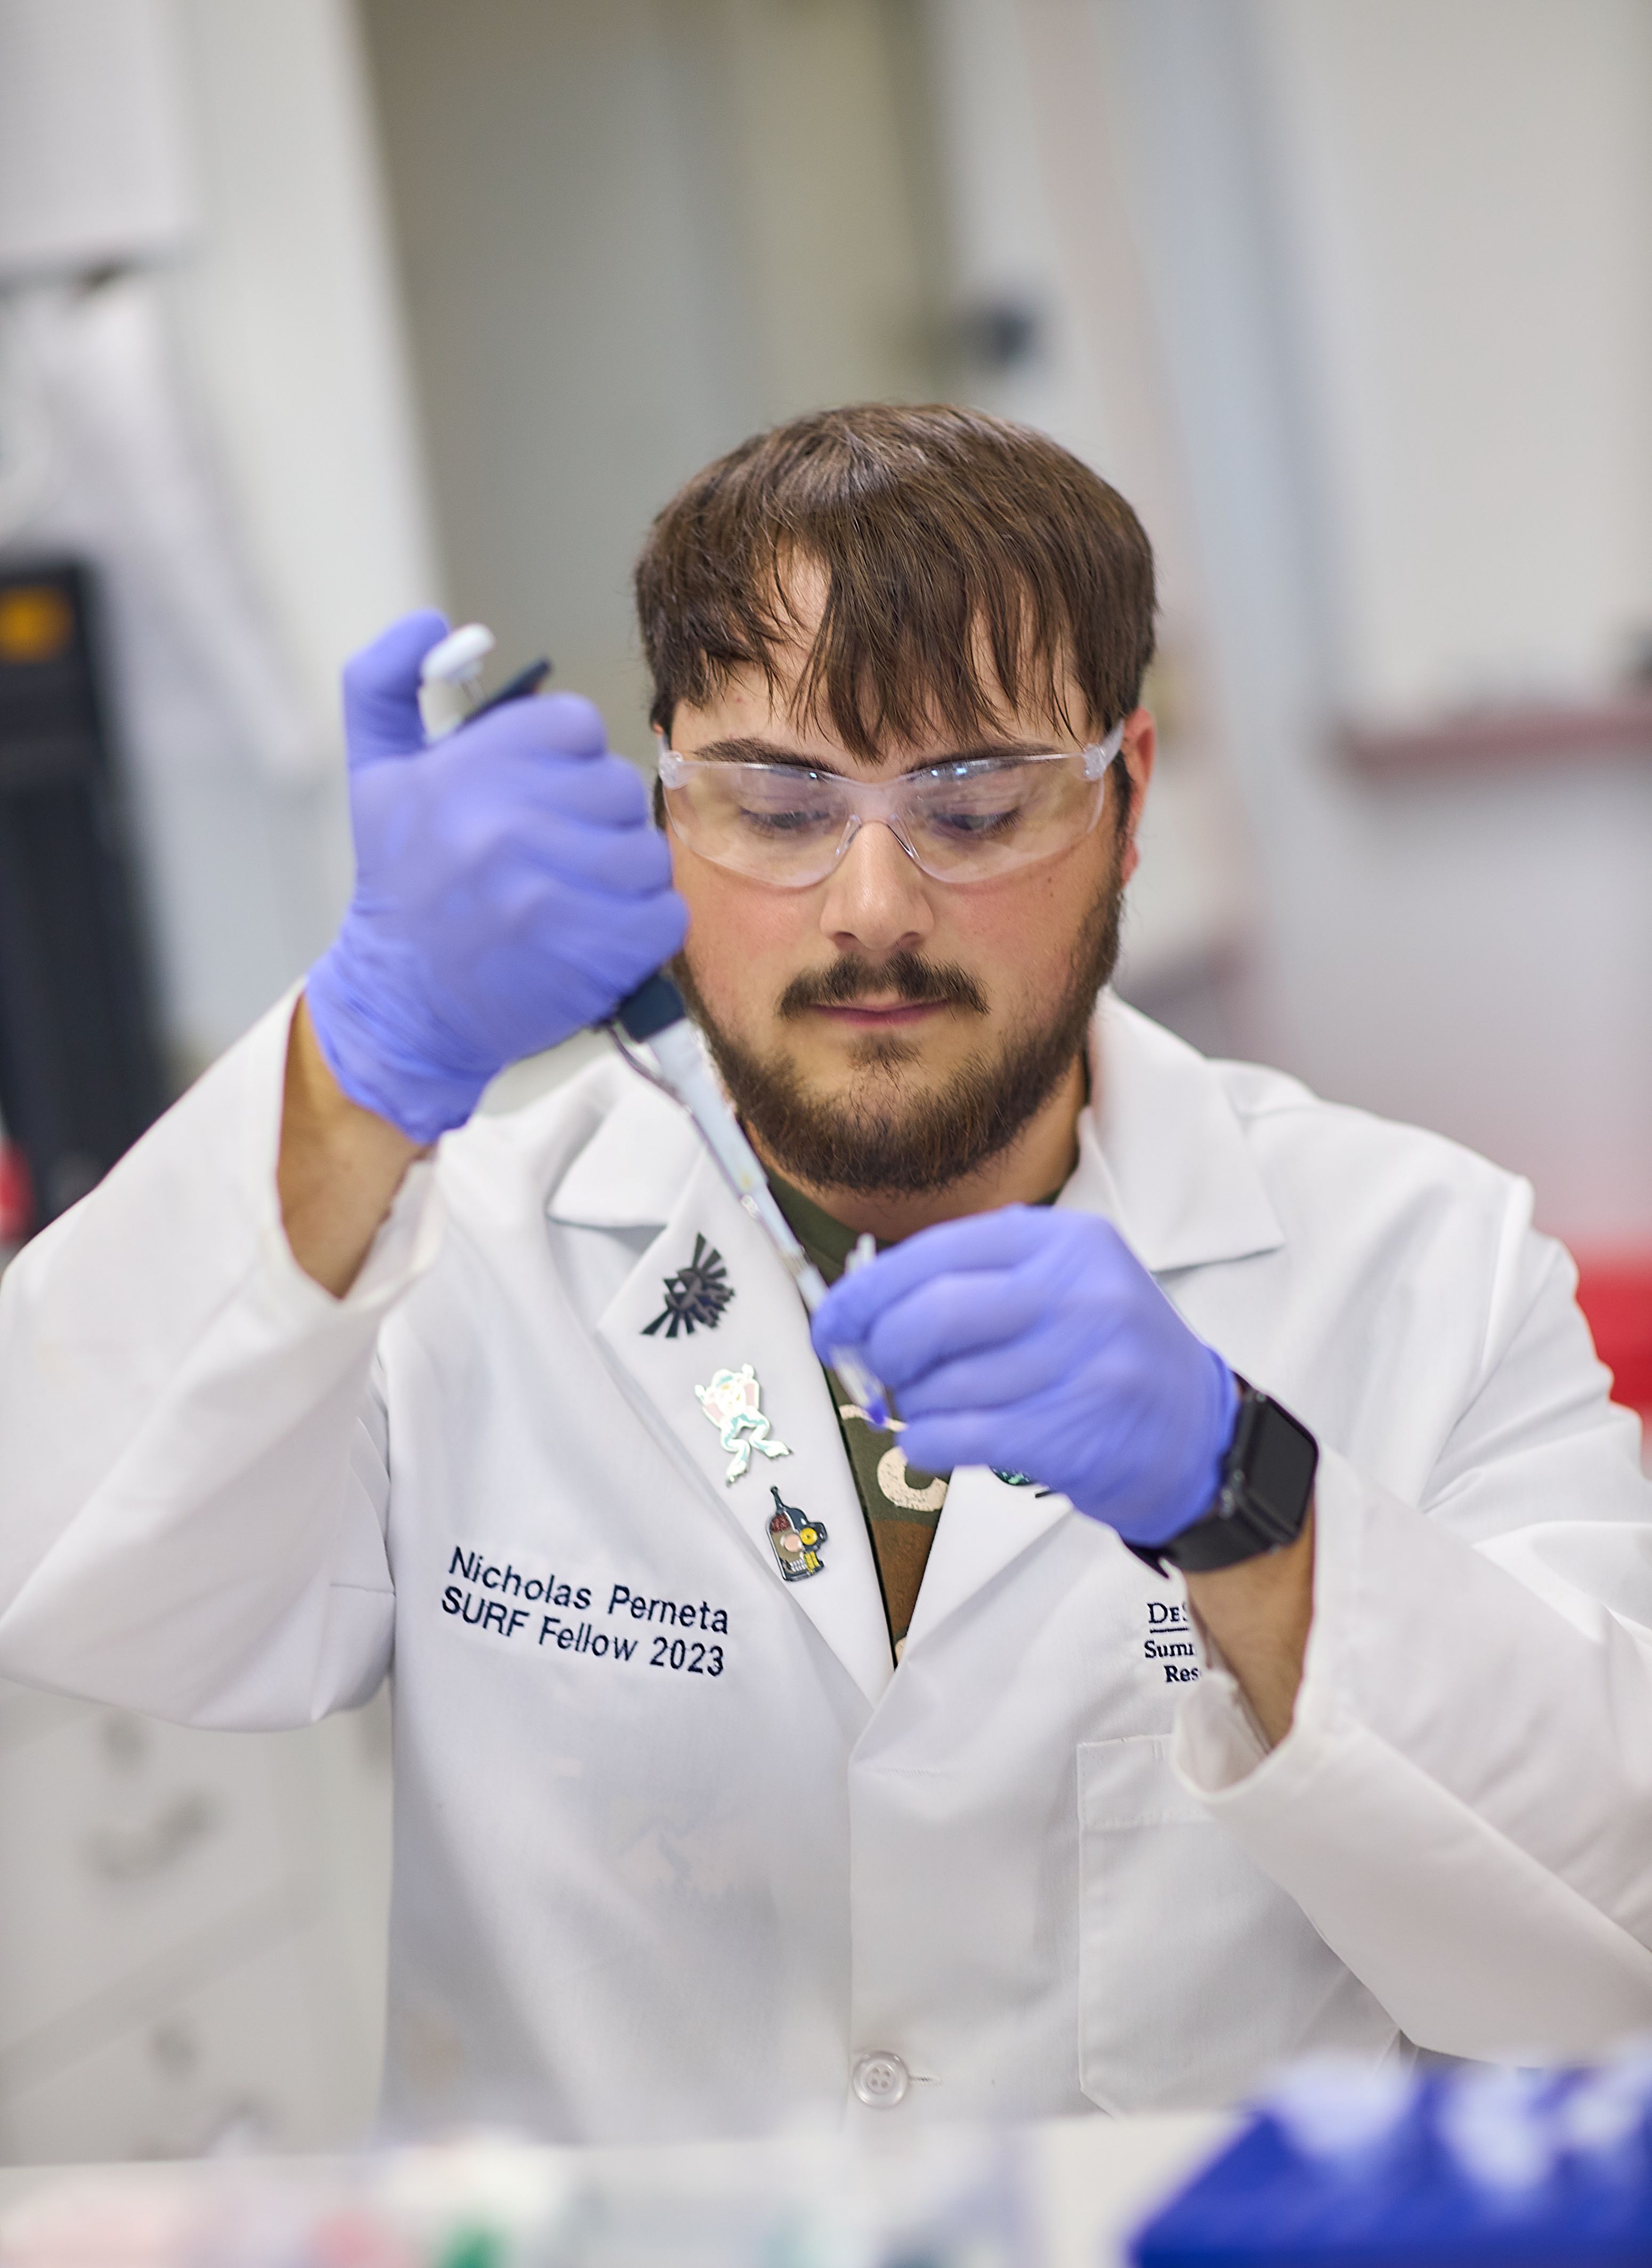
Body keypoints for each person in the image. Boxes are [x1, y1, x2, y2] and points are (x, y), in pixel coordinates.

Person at [2, 403, 1650, 2143]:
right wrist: (360, 1054)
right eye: (778, 804)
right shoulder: (465, 1263)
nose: (871, 904)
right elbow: (62, 1560)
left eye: (978, 801)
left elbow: (1606, 1945)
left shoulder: (1421, 1266)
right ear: (665, 816)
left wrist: (1248, 1504)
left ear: (1126, 801)